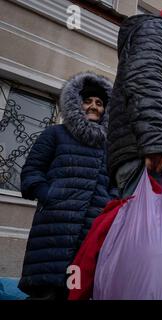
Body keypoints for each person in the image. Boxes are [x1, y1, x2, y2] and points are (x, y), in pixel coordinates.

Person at [19, 72, 115, 300]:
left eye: (99, 103)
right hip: (53, 229)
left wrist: (107, 208)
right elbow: (31, 173)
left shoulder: (108, 148)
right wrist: (49, 195)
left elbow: (115, 184)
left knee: (76, 293)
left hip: (89, 233)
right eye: (88, 101)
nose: (93, 106)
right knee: (45, 292)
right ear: (76, 104)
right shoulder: (55, 134)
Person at [107, 3, 162, 196]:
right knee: (148, 223)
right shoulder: (158, 29)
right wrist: (156, 142)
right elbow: (145, 81)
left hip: (152, 152)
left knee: (148, 223)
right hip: (148, 155)